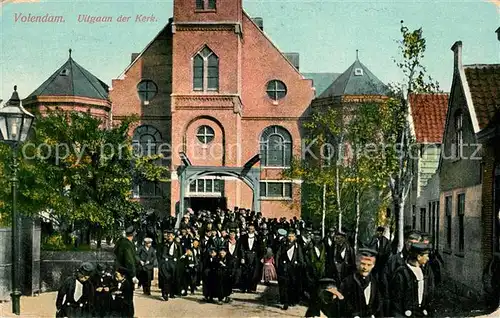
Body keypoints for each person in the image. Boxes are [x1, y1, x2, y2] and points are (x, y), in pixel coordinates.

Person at [390, 242, 435, 317]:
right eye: (426, 256)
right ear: (419, 257)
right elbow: (397, 300)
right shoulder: (402, 273)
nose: (428, 258)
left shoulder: (423, 271)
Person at [339, 248, 383, 317]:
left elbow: (378, 304)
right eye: (363, 264)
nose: (365, 268)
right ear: (357, 263)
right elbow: (343, 305)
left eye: (369, 265)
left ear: (373, 266)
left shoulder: (374, 282)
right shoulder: (347, 282)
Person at [276, 228, 304, 310]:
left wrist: (300, 265)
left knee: (293, 284)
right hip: (285, 267)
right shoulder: (283, 245)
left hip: (294, 268)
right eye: (289, 236)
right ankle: (285, 302)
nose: (290, 238)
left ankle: (292, 300)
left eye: (292, 236)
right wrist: (278, 266)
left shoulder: (297, 246)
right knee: (284, 285)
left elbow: (300, 257)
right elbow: (278, 255)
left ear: (295, 237)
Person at [304, 230, 327, 317]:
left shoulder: (323, 246)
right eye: (315, 237)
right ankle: (312, 312)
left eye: (318, 237)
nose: (317, 238)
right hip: (311, 273)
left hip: (321, 273)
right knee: (312, 294)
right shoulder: (310, 247)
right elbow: (305, 257)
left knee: (319, 294)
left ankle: (315, 311)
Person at [158, 229, 182, 301]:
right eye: (168, 236)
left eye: (171, 236)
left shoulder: (177, 245)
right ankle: (165, 293)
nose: (169, 237)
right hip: (165, 264)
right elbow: (160, 254)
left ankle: (172, 293)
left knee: (173, 279)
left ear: (174, 236)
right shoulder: (163, 244)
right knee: (166, 279)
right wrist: (161, 263)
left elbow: (179, 255)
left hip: (174, 264)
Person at [239, 223, 262, 293]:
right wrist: (242, 257)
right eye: (249, 228)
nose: (250, 230)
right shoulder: (243, 237)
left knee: (253, 272)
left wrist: (260, 257)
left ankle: (251, 288)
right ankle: (243, 287)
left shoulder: (258, 237)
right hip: (246, 255)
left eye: (252, 228)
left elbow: (261, 248)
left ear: (254, 229)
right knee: (245, 272)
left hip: (254, 256)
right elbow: (241, 248)